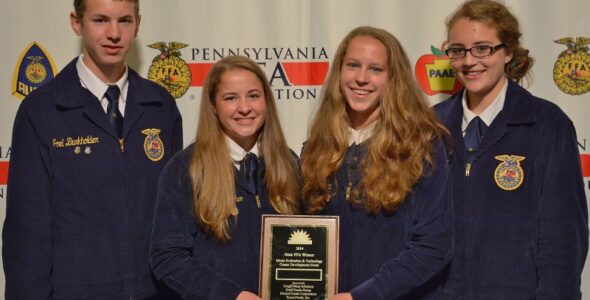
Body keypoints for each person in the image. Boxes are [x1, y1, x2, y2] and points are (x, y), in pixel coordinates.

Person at [2, 0, 183, 298]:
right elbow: (26, 234)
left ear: (138, 24)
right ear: (77, 22)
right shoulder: (42, 111)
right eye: (100, 20)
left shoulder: (161, 106)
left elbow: (175, 220)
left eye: (124, 21)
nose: (114, 33)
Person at [434, 0, 588, 299]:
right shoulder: (430, 125)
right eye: (458, 50)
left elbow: (563, 237)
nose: (469, 61)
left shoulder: (547, 124)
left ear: (508, 52)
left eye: (483, 48)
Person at [300, 26, 453, 300]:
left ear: (394, 79)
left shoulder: (422, 146)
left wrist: (363, 296)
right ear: (339, 72)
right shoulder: (316, 148)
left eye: (375, 69)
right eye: (353, 65)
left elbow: (434, 245)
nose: (361, 78)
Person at [150, 55, 301, 299]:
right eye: (230, 98)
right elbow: (167, 257)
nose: (244, 107)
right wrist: (232, 296)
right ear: (213, 106)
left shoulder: (290, 163)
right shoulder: (185, 168)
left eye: (253, 95)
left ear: (266, 101)